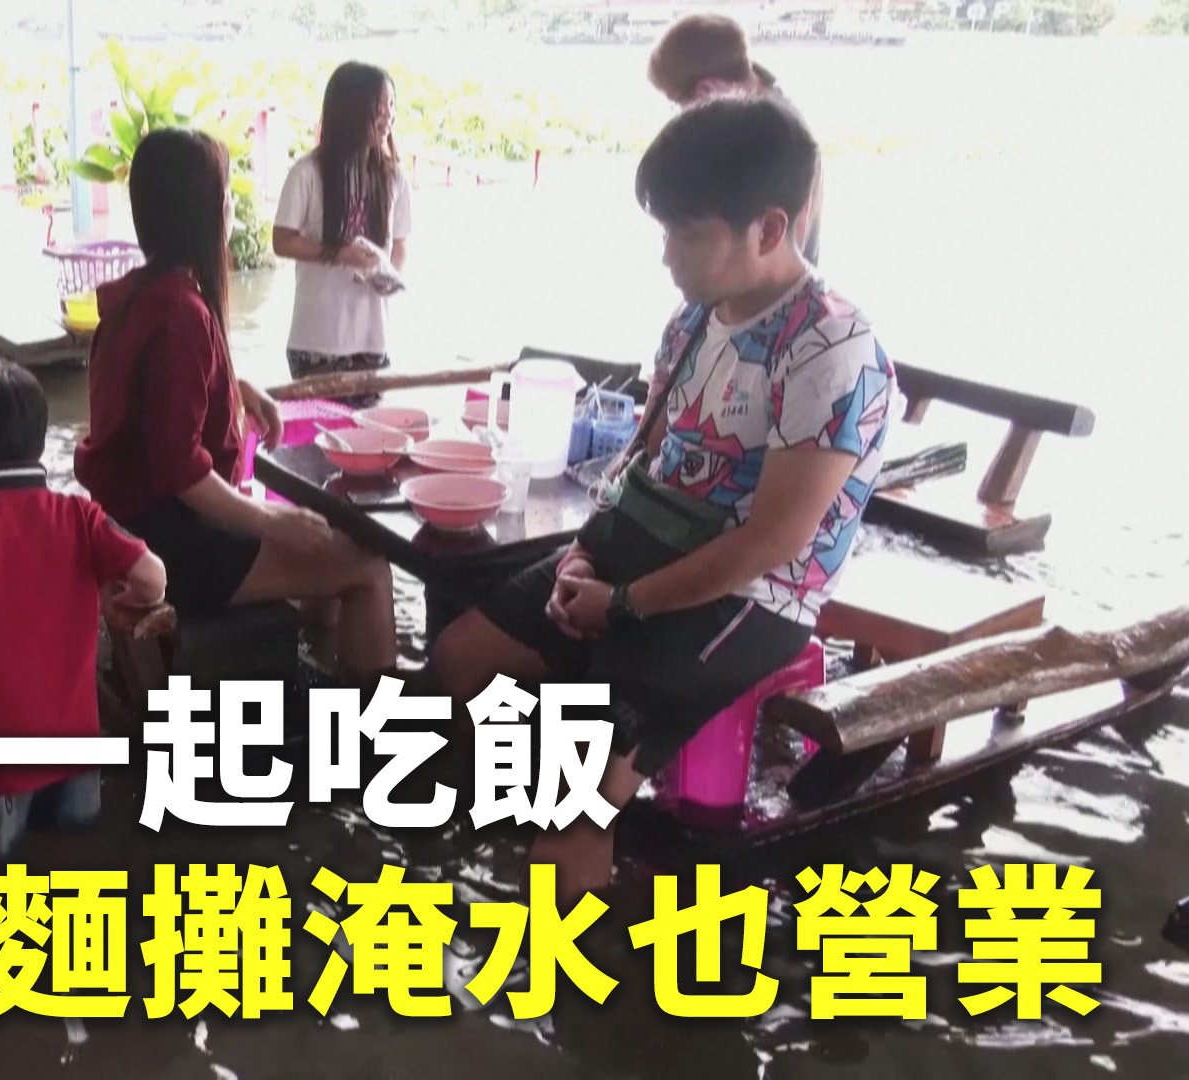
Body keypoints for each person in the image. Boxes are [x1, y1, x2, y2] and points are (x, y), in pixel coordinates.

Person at [429, 96, 896, 900]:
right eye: (665, 231)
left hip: (746, 601)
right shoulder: (692, 322)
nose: (669, 255)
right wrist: (584, 555)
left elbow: (773, 543)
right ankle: (512, 819)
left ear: (770, 228)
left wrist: (622, 605)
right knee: (457, 662)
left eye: (688, 233)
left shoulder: (830, 347)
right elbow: (643, 461)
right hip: (641, 548)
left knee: (573, 801)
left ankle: (564, 923)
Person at [74, 126, 397, 681]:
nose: (229, 208)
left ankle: (312, 674)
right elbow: (179, 469)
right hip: (176, 545)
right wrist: (269, 518)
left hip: (132, 526)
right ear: (204, 214)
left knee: (319, 539)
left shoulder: (140, 294)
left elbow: (152, 395)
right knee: (368, 566)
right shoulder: (183, 312)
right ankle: (372, 724)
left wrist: (233, 384)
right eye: (224, 196)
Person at [0, 359, 167, 864]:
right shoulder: (81, 516)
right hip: (76, 748)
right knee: (69, 861)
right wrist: (126, 600)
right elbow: (154, 577)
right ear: (40, 445)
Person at [271, 61, 413, 384]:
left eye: (392, 105)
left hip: (373, 340)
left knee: (371, 419)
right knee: (319, 419)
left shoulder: (394, 176)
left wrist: (387, 276)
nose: (388, 116)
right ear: (350, 110)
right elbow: (282, 241)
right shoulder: (307, 172)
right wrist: (341, 254)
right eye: (379, 107)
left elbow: (400, 243)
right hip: (316, 340)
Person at [647, 13, 824, 265]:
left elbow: (781, 247)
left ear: (707, 92)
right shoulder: (760, 103)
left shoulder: (772, 139)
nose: (680, 115)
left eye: (676, 103)